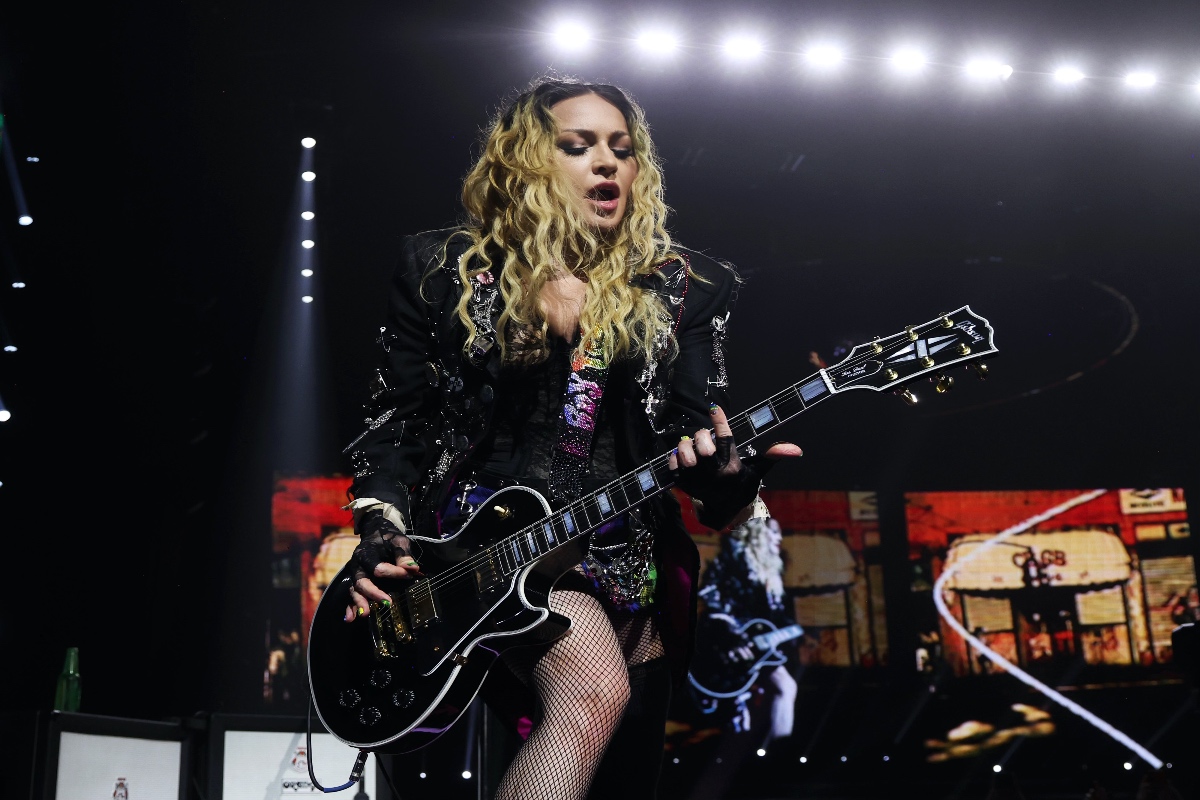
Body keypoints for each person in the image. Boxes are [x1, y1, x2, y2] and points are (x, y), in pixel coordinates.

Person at [336, 77, 801, 800]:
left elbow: (692, 429)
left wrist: (728, 480)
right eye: (578, 146)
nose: (607, 162)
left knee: (624, 772)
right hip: (481, 549)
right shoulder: (445, 271)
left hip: (629, 552)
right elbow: (397, 419)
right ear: (527, 162)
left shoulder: (684, 287)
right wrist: (379, 526)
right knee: (592, 694)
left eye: (622, 148)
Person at [693, 501, 798, 742]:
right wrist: (731, 636)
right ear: (758, 533)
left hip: (758, 650)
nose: (779, 538)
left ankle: (773, 749)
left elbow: (774, 618)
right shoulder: (734, 561)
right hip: (728, 647)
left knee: (782, 689)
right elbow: (713, 602)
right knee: (783, 688)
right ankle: (776, 749)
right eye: (774, 532)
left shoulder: (772, 572)